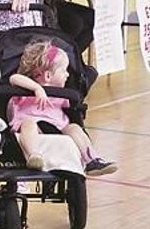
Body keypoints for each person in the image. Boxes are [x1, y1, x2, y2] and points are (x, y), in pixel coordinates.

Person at [9, 40, 117, 176]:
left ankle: (92, 160)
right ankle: (33, 155)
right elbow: (14, 78)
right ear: (48, 76)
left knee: (74, 128)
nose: (67, 75)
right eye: (64, 71)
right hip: (33, 125)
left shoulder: (62, 92)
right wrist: (37, 88)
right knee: (28, 125)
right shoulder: (26, 88)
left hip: (58, 127)